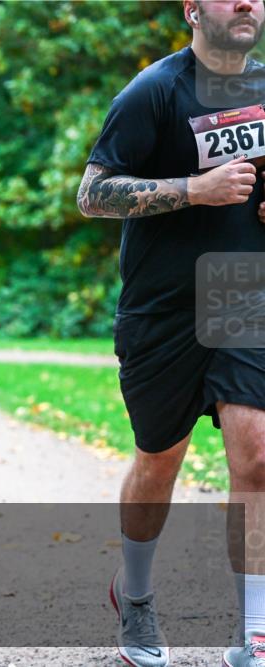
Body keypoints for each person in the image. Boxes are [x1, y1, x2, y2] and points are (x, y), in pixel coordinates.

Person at [77, 2, 265, 664]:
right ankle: (136, 597)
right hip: (162, 307)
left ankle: (254, 629)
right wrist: (194, 188)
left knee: (259, 453)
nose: (247, 3)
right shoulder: (155, 90)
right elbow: (93, 193)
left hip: (244, 294)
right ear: (192, 9)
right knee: (160, 460)